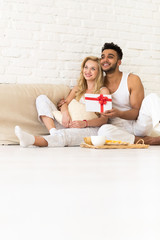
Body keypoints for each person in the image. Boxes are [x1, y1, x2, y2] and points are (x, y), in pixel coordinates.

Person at [15, 56, 109, 147]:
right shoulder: (78, 89)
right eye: (86, 67)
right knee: (41, 99)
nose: (88, 71)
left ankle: (32, 140)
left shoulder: (102, 91)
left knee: (65, 134)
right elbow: (64, 103)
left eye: (93, 69)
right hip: (67, 123)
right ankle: (53, 132)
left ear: (99, 72)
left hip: (89, 128)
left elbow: (104, 119)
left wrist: (85, 123)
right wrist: (65, 113)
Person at [98, 42, 160, 145]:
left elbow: (136, 113)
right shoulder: (99, 83)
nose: (105, 60)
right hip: (117, 130)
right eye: (102, 57)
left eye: (110, 57)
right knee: (103, 131)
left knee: (152, 98)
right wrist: (65, 102)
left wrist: (119, 113)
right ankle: (150, 140)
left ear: (119, 62)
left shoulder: (132, 79)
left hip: (138, 126)